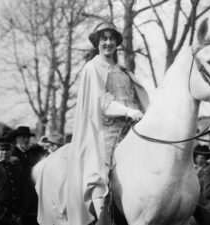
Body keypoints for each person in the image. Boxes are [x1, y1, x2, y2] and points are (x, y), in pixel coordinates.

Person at [66, 21, 149, 225]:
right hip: (105, 130)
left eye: (112, 39)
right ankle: (102, 219)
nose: (109, 42)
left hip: (130, 128)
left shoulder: (122, 70)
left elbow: (138, 100)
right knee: (99, 173)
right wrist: (128, 111)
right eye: (104, 39)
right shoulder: (93, 68)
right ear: (97, 42)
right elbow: (101, 103)